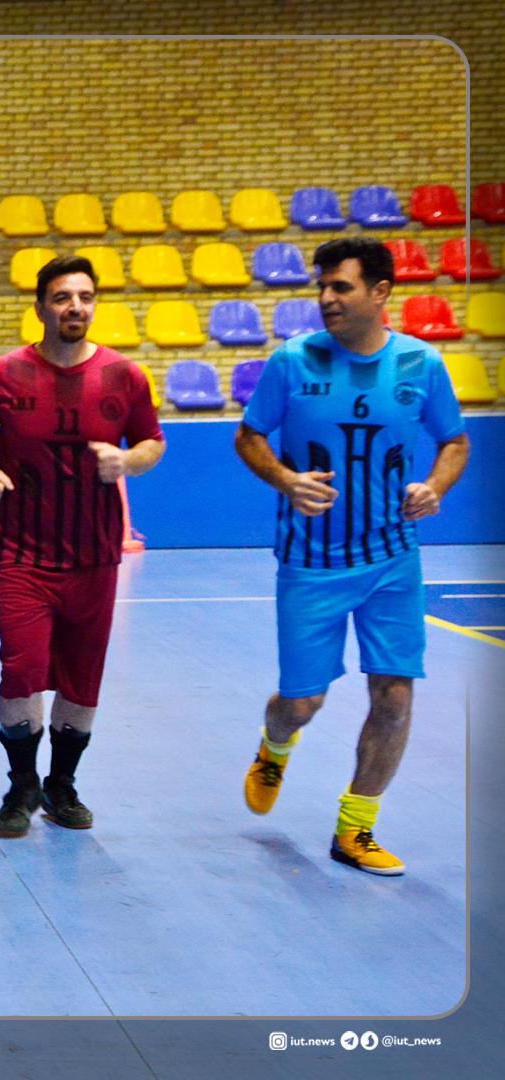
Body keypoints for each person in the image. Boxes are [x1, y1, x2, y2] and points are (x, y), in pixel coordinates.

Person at [234, 236, 468, 876]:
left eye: (341, 286)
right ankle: (275, 745)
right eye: (323, 287)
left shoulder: (421, 363)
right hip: (310, 561)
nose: (326, 298)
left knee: (394, 697)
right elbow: (249, 437)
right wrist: (286, 479)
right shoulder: (293, 360)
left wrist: (435, 487)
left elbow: (454, 442)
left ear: (380, 291)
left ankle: (355, 829)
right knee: (300, 703)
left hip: (393, 559)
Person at [0, 255, 166, 838]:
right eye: (63, 297)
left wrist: (128, 461)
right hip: (20, 553)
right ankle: (21, 785)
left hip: (94, 556)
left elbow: (152, 441)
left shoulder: (124, 376)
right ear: (41, 306)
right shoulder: (2, 373)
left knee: (81, 680)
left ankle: (62, 785)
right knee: (21, 669)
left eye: (85, 297)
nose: (76, 307)